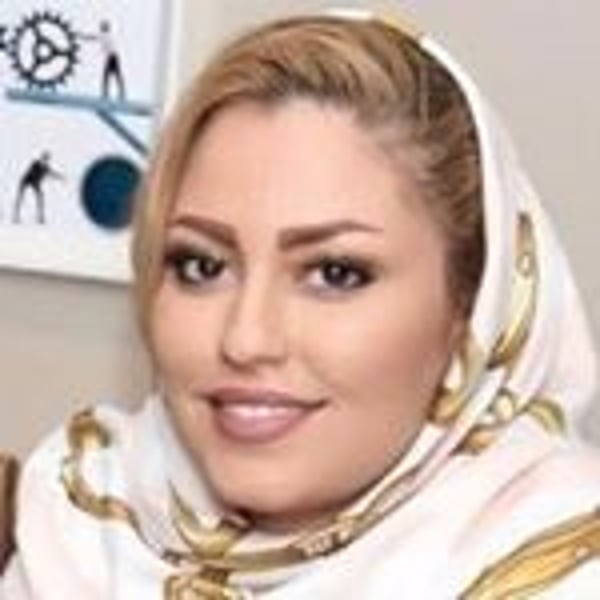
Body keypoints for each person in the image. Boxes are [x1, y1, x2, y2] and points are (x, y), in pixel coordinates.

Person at [2, 9, 600, 599]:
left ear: (471, 307)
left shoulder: (564, 565)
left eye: (335, 273)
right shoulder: (84, 516)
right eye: (202, 266)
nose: (245, 338)